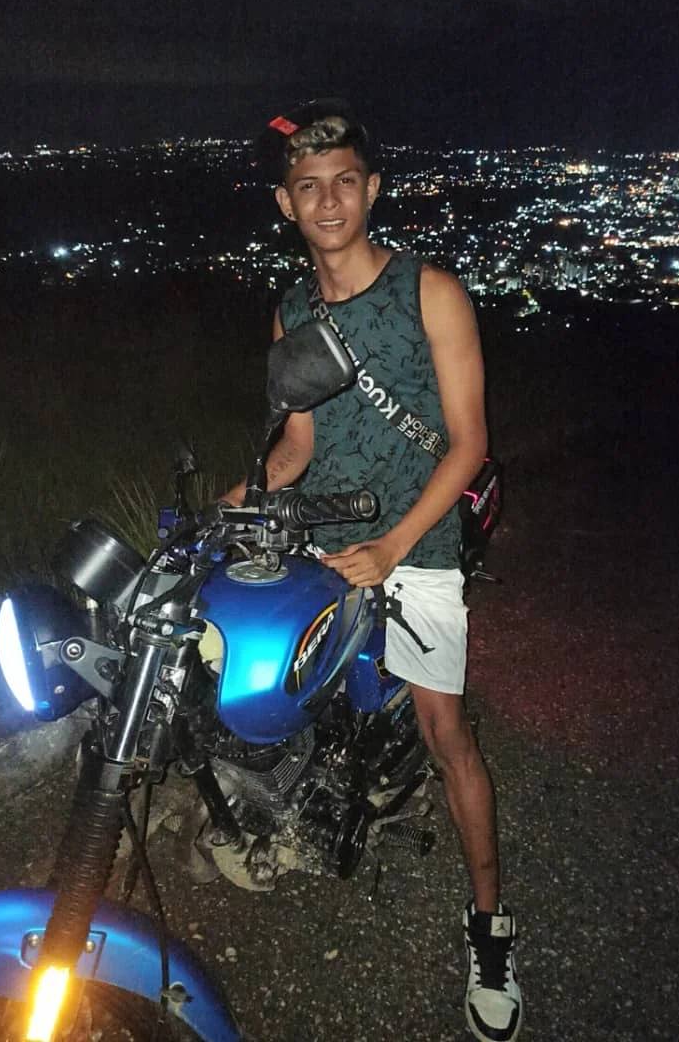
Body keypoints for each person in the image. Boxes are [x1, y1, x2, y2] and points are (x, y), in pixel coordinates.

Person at [222, 98, 523, 1042]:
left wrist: (394, 548)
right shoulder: (293, 311)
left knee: (445, 730)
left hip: (415, 544)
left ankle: (490, 928)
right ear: (285, 203)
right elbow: (296, 449)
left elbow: (468, 445)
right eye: (308, 186)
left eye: (344, 181)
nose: (327, 200)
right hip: (324, 535)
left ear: (372, 189)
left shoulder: (431, 292)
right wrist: (228, 509)